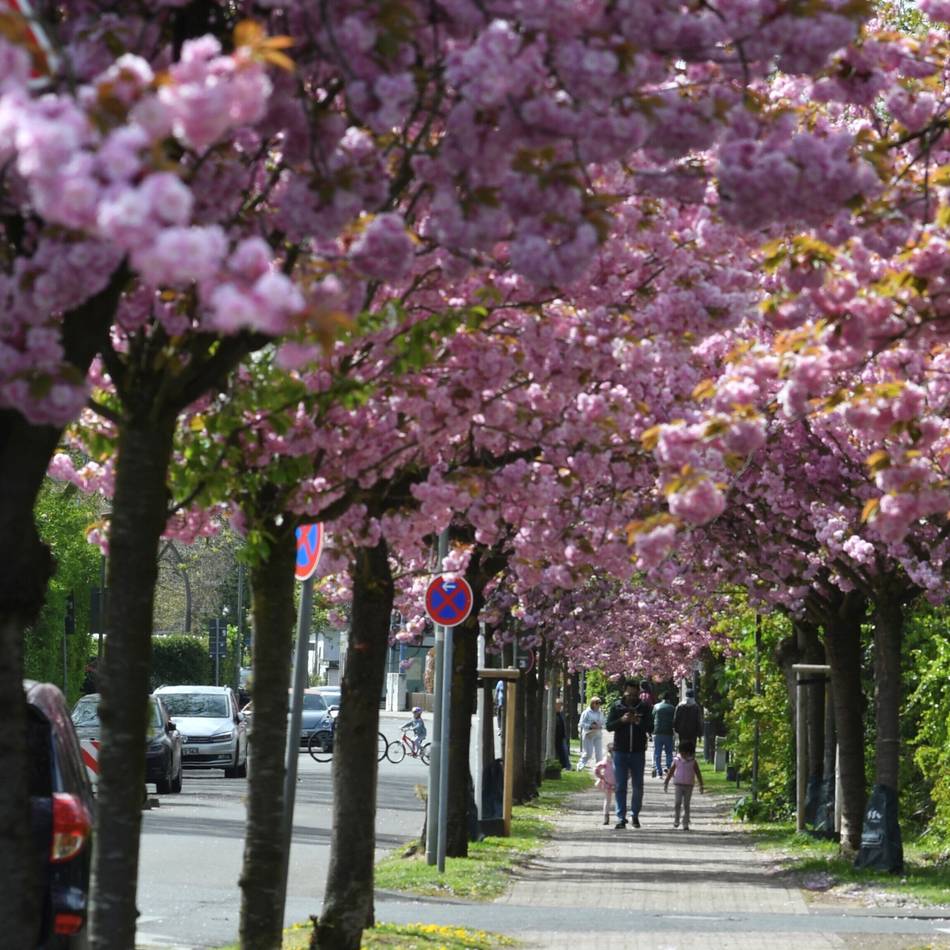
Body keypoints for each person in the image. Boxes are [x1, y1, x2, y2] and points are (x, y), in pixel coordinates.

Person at [606, 680, 651, 828]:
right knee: (620, 785)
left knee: (638, 786)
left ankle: (635, 815)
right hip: (620, 751)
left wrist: (638, 722)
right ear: (624, 692)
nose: (631, 697)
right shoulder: (616, 707)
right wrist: (622, 720)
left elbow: (651, 727)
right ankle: (621, 817)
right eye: (629, 694)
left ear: (638, 693)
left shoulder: (644, 707)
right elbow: (609, 726)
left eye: (634, 695)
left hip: (638, 752)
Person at [664, 740, 704, 830]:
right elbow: (671, 771)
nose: (683, 755)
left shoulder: (693, 762)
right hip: (678, 784)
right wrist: (666, 781)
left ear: (689, 753)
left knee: (686, 804)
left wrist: (701, 785)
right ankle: (676, 819)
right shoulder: (677, 760)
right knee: (677, 802)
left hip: (689, 785)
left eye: (685, 753)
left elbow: (698, 773)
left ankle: (685, 822)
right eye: (681, 752)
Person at [576, 696, 605, 770]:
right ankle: (580, 766)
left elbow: (604, 722)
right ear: (592, 703)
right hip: (588, 734)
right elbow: (581, 723)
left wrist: (600, 726)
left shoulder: (600, 713)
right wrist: (590, 726)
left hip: (598, 734)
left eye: (599, 703)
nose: (599, 705)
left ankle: (599, 769)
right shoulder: (586, 712)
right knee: (588, 753)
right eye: (597, 703)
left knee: (599, 753)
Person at [652, 691, 676, 778]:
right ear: (669, 699)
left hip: (657, 731)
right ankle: (669, 768)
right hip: (668, 732)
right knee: (669, 752)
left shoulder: (656, 706)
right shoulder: (672, 708)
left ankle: (659, 772)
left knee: (657, 753)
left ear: (662, 698)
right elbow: (674, 720)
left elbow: (652, 716)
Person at [594, 741, 616, 826]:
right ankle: (616, 816)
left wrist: (600, 776)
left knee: (608, 800)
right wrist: (600, 776)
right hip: (614, 782)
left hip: (608, 782)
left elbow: (597, 768)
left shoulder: (606, 759)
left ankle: (606, 817)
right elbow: (597, 768)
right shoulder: (615, 759)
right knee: (615, 799)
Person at [554, 698, 571, 770]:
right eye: (558, 705)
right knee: (562, 751)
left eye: (560, 705)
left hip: (561, 737)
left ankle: (567, 766)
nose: (560, 707)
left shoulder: (559, 714)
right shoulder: (554, 715)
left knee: (564, 751)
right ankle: (565, 766)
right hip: (557, 737)